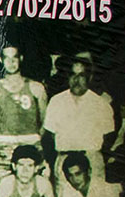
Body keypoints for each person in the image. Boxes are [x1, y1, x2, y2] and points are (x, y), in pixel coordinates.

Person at [43, 57, 114, 187]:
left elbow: (108, 137)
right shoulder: (56, 102)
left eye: (81, 75)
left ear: (89, 77)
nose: (76, 80)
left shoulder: (101, 104)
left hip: (91, 161)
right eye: (72, 75)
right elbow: (50, 134)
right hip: (64, 162)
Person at [0, 45, 47, 178]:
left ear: (20, 58)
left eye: (14, 58)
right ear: (1, 60)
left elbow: (46, 121)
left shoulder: (36, 88)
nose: (11, 62)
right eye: (7, 58)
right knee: (3, 187)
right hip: (3, 144)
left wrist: (34, 140)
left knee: (35, 186)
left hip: (31, 142)